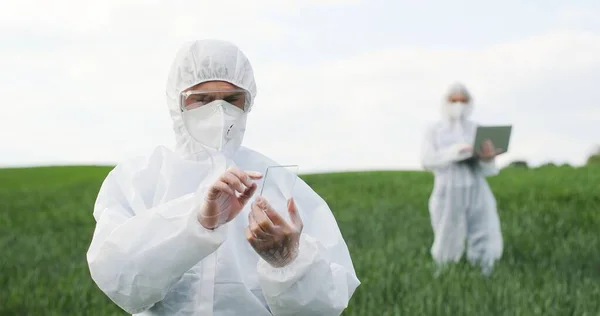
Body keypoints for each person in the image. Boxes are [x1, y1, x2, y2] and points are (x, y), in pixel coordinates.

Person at [86, 39, 360, 315]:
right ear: (177, 101)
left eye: (231, 100)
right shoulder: (138, 178)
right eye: (202, 99)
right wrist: (196, 222)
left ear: (248, 102)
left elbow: (327, 306)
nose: (219, 111)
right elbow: (117, 278)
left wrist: (290, 262)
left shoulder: (279, 184)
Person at [420, 83, 504, 276]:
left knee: (486, 228)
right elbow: (427, 159)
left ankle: (486, 271)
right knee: (447, 233)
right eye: (454, 100)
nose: (459, 104)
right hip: (447, 189)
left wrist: (487, 157)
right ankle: (444, 274)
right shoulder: (434, 130)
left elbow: (489, 169)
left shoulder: (476, 128)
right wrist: (457, 151)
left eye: (463, 101)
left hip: (476, 187)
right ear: (446, 102)